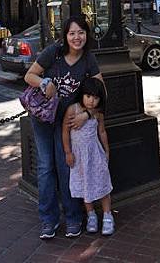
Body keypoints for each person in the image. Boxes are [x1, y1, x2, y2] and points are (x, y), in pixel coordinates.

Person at [24, 15, 104, 240]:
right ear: (65, 36)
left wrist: (87, 114)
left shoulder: (88, 59)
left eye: (81, 32)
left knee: (65, 165)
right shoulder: (54, 52)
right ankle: (48, 220)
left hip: (67, 122)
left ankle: (73, 217)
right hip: (42, 117)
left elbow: (100, 89)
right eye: (72, 33)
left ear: (86, 35)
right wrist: (44, 83)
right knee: (45, 166)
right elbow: (29, 75)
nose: (76, 37)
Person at [62, 77, 114, 236]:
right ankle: (91, 215)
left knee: (102, 182)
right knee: (85, 185)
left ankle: (107, 215)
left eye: (96, 98)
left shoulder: (97, 114)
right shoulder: (73, 110)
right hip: (78, 157)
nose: (92, 101)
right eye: (89, 96)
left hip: (94, 154)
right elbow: (65, 131)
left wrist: (106, 150)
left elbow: (102, 132)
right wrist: (68, 152)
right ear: (82, 95)